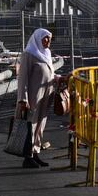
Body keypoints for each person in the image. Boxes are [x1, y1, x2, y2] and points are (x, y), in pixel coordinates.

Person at [17, 28, 59, 168]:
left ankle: (35, 152)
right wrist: (23, 99)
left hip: (45, 97)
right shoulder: (29, 54)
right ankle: (27, 156)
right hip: (33, 98)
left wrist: (58, 78)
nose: (48, 41)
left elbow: (49, 74)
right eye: (45, 38)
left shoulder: (46, 54)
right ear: (37, 38)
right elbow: (22, 78)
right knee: (31, 125)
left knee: (40, 125)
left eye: (49, 38)